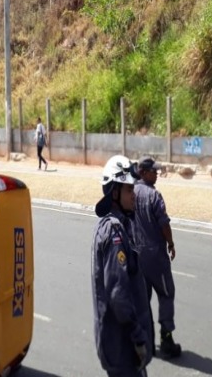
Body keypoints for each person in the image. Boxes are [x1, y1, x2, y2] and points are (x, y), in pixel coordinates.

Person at [92, 155, 153, 376]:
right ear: (114, 193)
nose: (134, 195)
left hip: (124, 346)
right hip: (122, 347)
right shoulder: (113, 231)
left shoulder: (122, 225)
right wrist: (138, 337)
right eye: (129, 190)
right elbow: (117, 294)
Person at [133, 156, 182, 359]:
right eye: (153, 171)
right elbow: (164, 223)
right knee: (166, 294)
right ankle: (166, 338)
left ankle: (146, 340)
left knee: (142, 300)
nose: (157, 174)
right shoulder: (154, 195)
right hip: (156, 258)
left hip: (138, 256)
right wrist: (170, 243)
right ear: (143, 172)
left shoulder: (130, 192)